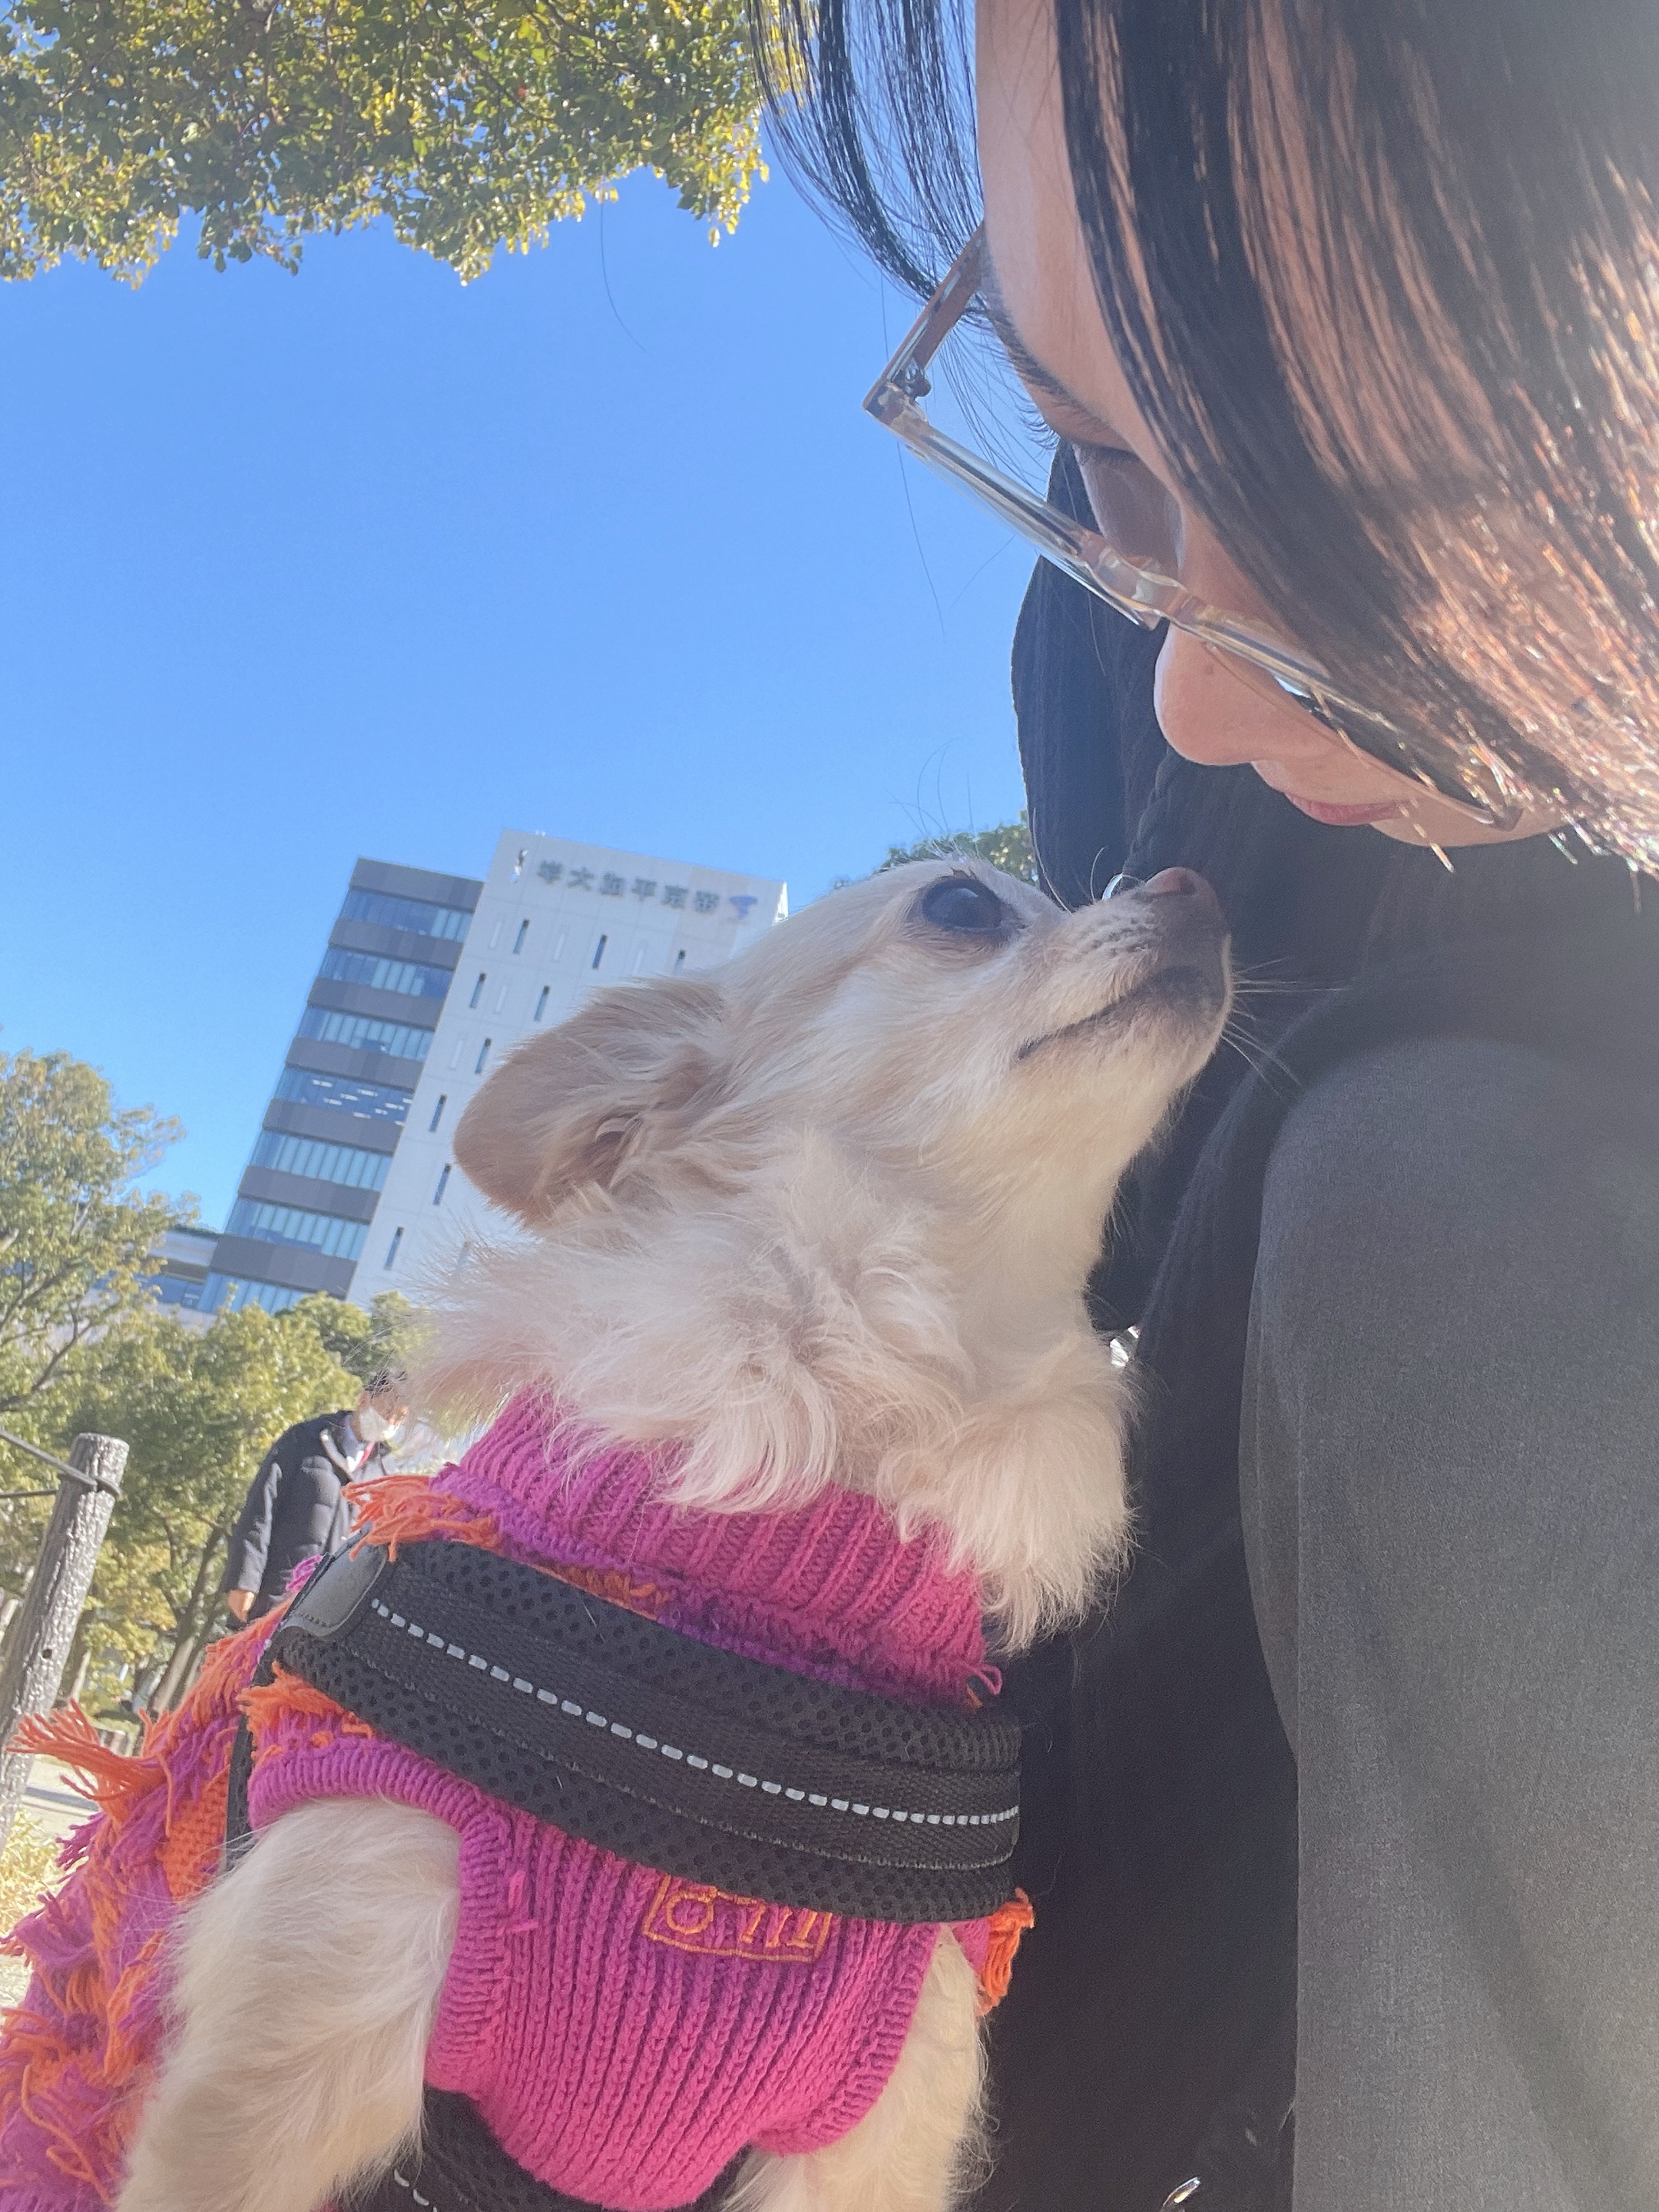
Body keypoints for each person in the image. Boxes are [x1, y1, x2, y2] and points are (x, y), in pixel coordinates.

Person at [753, 3, 1659, 2207]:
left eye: (1374, 519)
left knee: (1421, 1189)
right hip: (1170, 1802)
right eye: (1103, 457)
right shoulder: (1100, 652)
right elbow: (1141, 1285)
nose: (1193, 691)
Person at [222, 1373, 409, 1624]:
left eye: (400, 1417)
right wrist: (244, 1580)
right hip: (272, 1596)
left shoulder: (387, 1473)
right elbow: (261, 1508)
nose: (391, 1422)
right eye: (387, 1410)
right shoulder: (305, 1439)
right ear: (364, 1399)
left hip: (324, 1617)